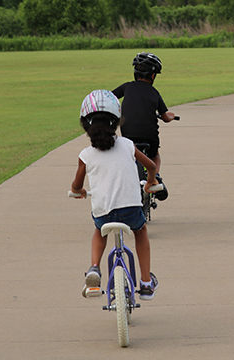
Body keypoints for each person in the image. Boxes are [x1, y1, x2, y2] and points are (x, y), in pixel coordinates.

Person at [71, 89, 159, 300]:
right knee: (141, 231)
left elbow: (76, 185)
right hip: (130, 210)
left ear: (86, 124)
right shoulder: (128, 145)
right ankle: (146, 282)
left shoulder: (85, 155)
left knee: (99, 230)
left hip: (104, 213)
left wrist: (79, 191)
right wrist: (151, 181)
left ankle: (94, 269)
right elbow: (150, 165)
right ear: (116, 122)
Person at [112, 52, 176, 201]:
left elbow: (110, 96)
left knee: (129, 153)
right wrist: (172, 116)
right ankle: (156, 178)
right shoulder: (154, 93)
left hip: (129, 134)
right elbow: (165, 117)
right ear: (153, 76)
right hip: (149, 135)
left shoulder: (127, 87)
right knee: (155, 155)